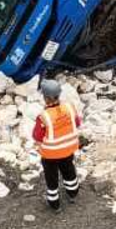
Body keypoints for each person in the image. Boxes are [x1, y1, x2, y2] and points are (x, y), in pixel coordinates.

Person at [31, 79, 81, 211]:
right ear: (59, 95)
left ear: (46, 98)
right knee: (69, 170)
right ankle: (73, 194)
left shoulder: (44, 116)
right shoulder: (69, 108)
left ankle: (55, 204)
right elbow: (77, 123)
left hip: (51, 154)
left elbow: (37, 136)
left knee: (51, 176)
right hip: (68, 149)